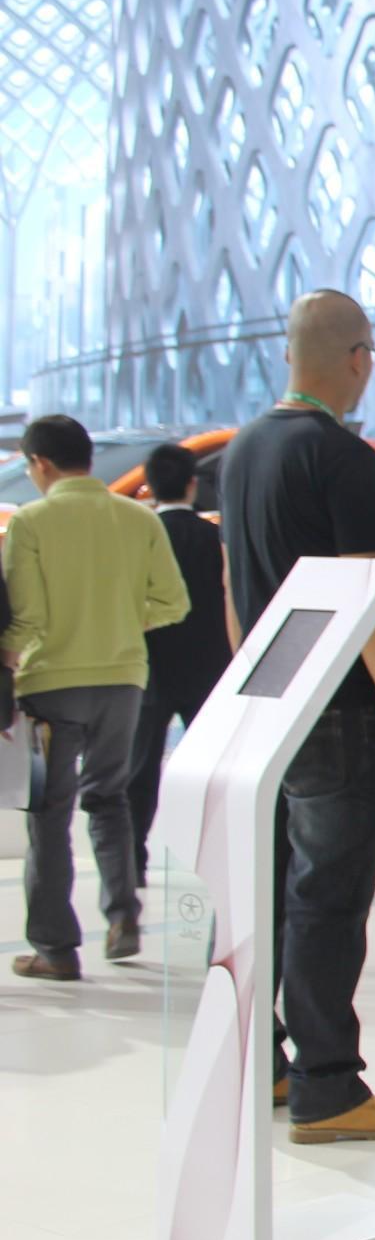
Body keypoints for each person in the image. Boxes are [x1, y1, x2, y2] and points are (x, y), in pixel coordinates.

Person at [222, 289, 375, 1141]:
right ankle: (328, 1087)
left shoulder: (243, 450)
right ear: (358, 360)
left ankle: (268, 1064)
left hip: (271, 703)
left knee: (276, 889)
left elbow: (236, 590)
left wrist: (250, 685)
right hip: (340, 713)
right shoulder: (344, 457)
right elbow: (369, 602)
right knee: (328, 899)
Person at [2, 416, 187, 980]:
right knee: (109, 798)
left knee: (50, 815)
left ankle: (55, 949)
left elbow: (27, 617)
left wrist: (9, 658)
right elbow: (173, 602)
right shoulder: (139, 518)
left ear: (40, 464)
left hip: (50, 685)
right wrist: (125, 622)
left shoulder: (30, 522)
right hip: (124, 681)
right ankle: (122, 914)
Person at [127, 444, 232, 881]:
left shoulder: (140, 536)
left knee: (140, 767)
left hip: (151, 666)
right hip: (209, 666)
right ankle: (217, 859)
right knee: (212, 769)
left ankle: (132, 861)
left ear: (150, 486)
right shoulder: (213, 536)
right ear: (192, 484)